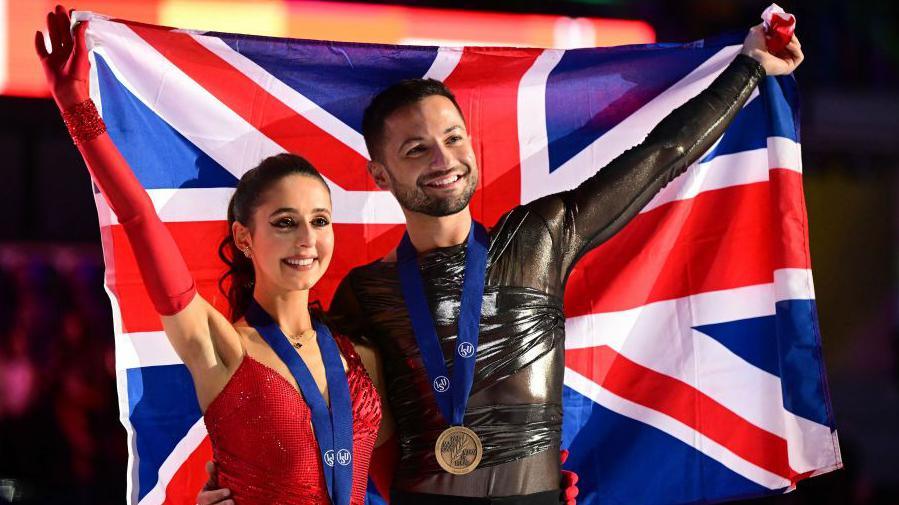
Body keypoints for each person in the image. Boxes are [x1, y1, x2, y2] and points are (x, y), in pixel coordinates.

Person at [191, 18, 804, 505]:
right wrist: (239, 487)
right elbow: (306, 404)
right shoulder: (365, 293)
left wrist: (750, 66)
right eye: (416, 149)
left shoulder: (541, 238)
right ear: (380, 175)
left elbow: (659, 157)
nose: (443, 158)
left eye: (453, 138)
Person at [35, 6, 393, 505]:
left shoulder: (364, 356)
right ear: (244, 239)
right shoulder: (223, 350)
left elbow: (395, 481)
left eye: (319, 220)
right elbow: (140, 219)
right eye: (285, 223)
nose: (306, 239)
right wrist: (77, 110)